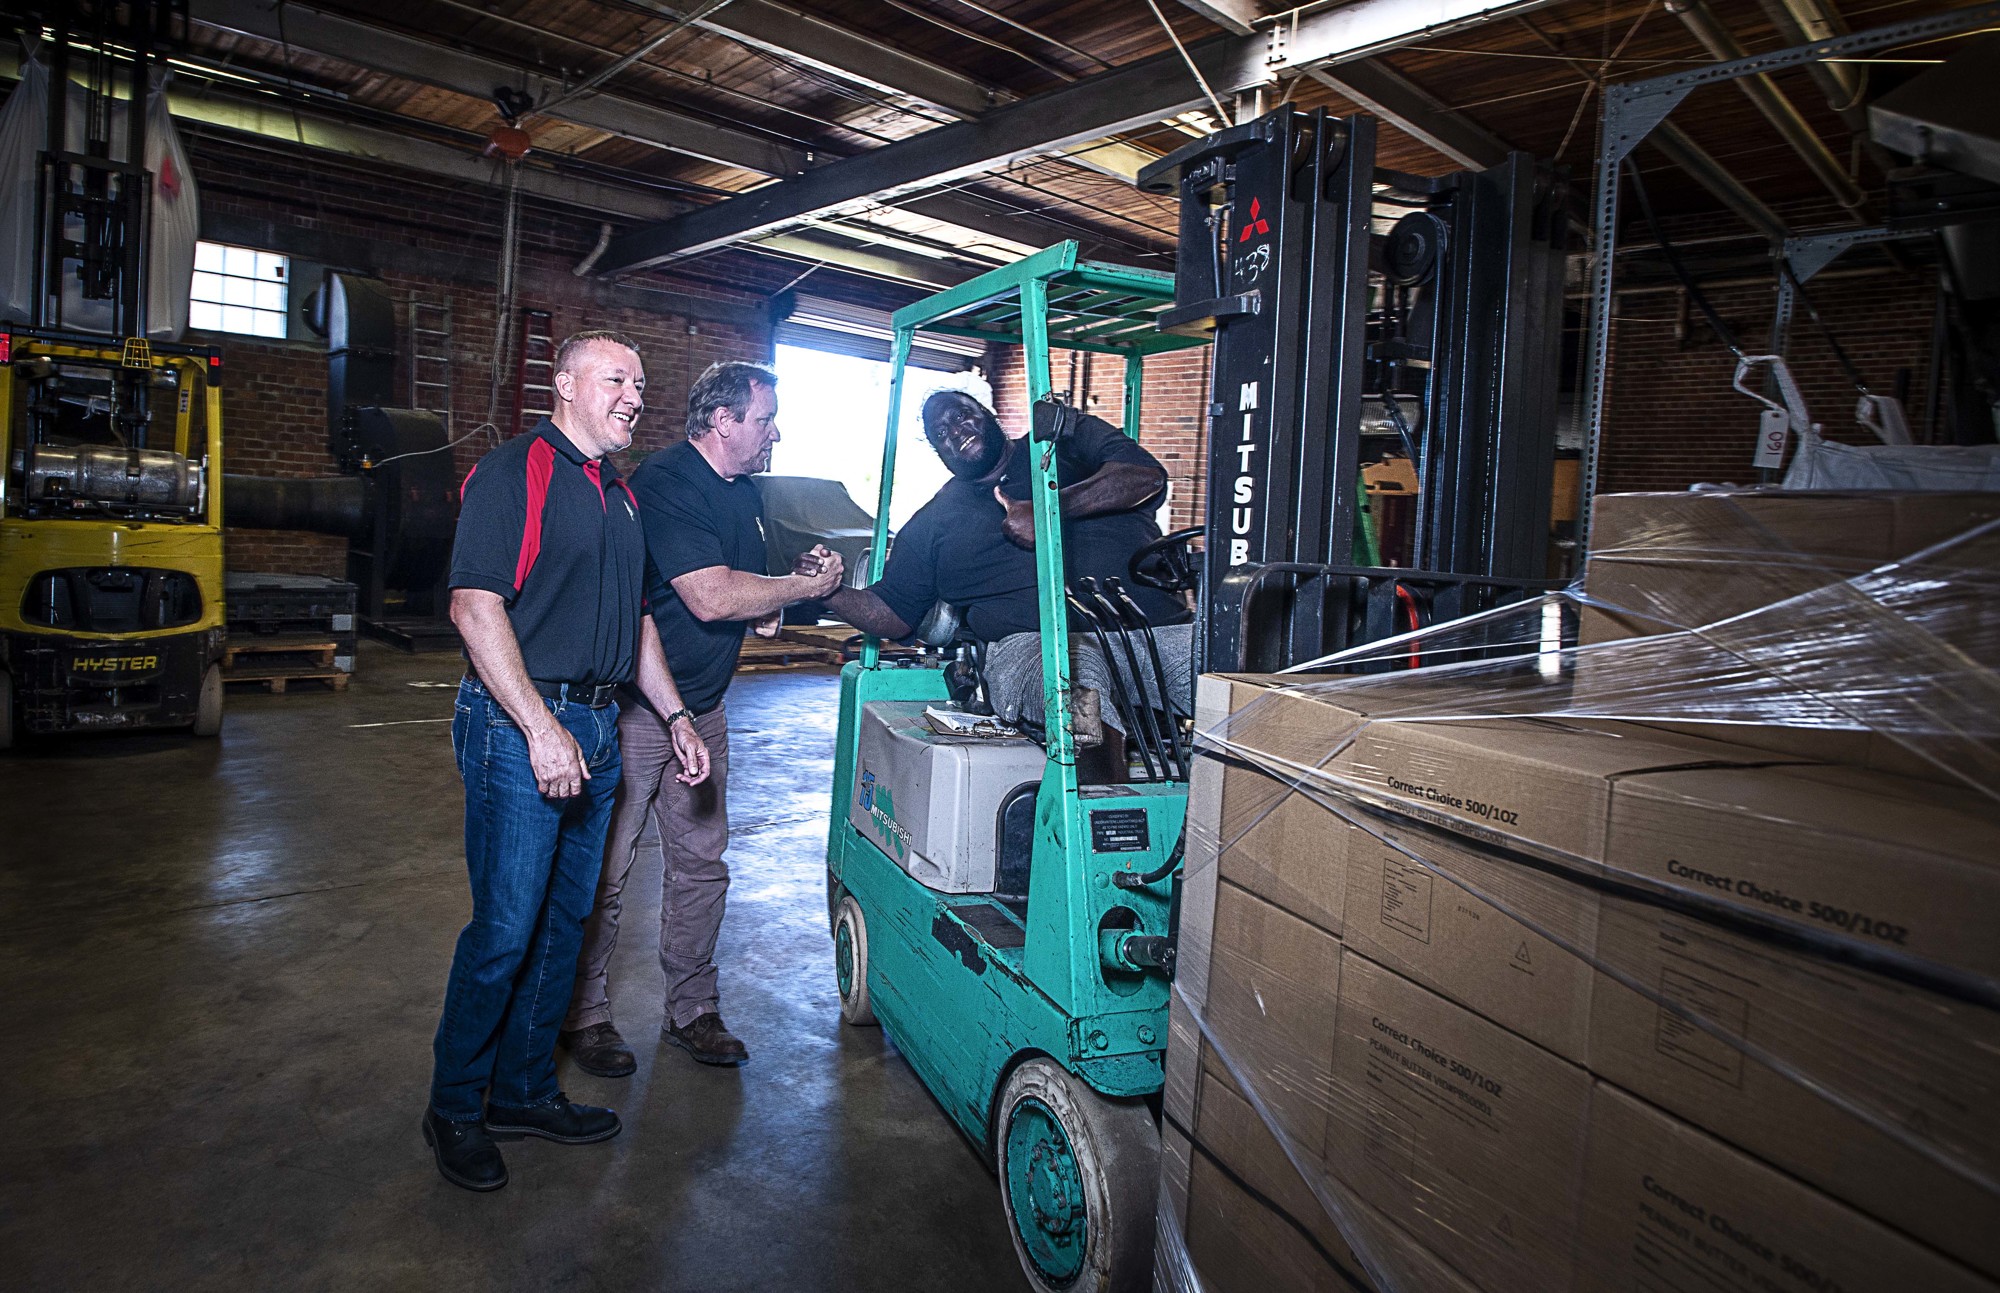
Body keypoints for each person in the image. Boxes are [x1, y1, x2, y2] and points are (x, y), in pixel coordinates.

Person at [425, 330, 712, 1194]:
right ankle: (454, 1106)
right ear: (565, 386)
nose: (633, 393)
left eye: (639, 381)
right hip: (522, 723)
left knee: (563, 922)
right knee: (505, 926)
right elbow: (475, 607)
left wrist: (674, 711)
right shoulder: (518, 471)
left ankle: (521, 1089)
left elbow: (639, 624)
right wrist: (538, 727)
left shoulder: (617, 495)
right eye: (616, 378)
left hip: (595, 723)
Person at [559, 360, 843, 1078]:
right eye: (763, 419)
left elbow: (757, 606)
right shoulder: (665, 483)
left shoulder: (743, 494)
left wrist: (791, 586)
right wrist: (798, 586)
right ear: (723, 422)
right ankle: (583, 1016)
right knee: (605, 873)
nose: (773, 432)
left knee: (701, 868)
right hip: (636, 711)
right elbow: (712, 597)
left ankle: (692, 1010)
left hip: (705, 710)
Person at [820, 390, 1192, 745]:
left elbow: (1146, 477)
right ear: (939, 452)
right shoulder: (934, 523)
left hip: (1153, 632)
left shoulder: (1062, 444)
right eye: (941, 433)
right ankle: (1103, 805)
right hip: (1038, 647)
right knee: (1078, 702)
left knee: (1233, 678)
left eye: (962, 415)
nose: (956, 432)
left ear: (988, 415)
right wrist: (828, 590)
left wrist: (1050, 510)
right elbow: (893, 611)